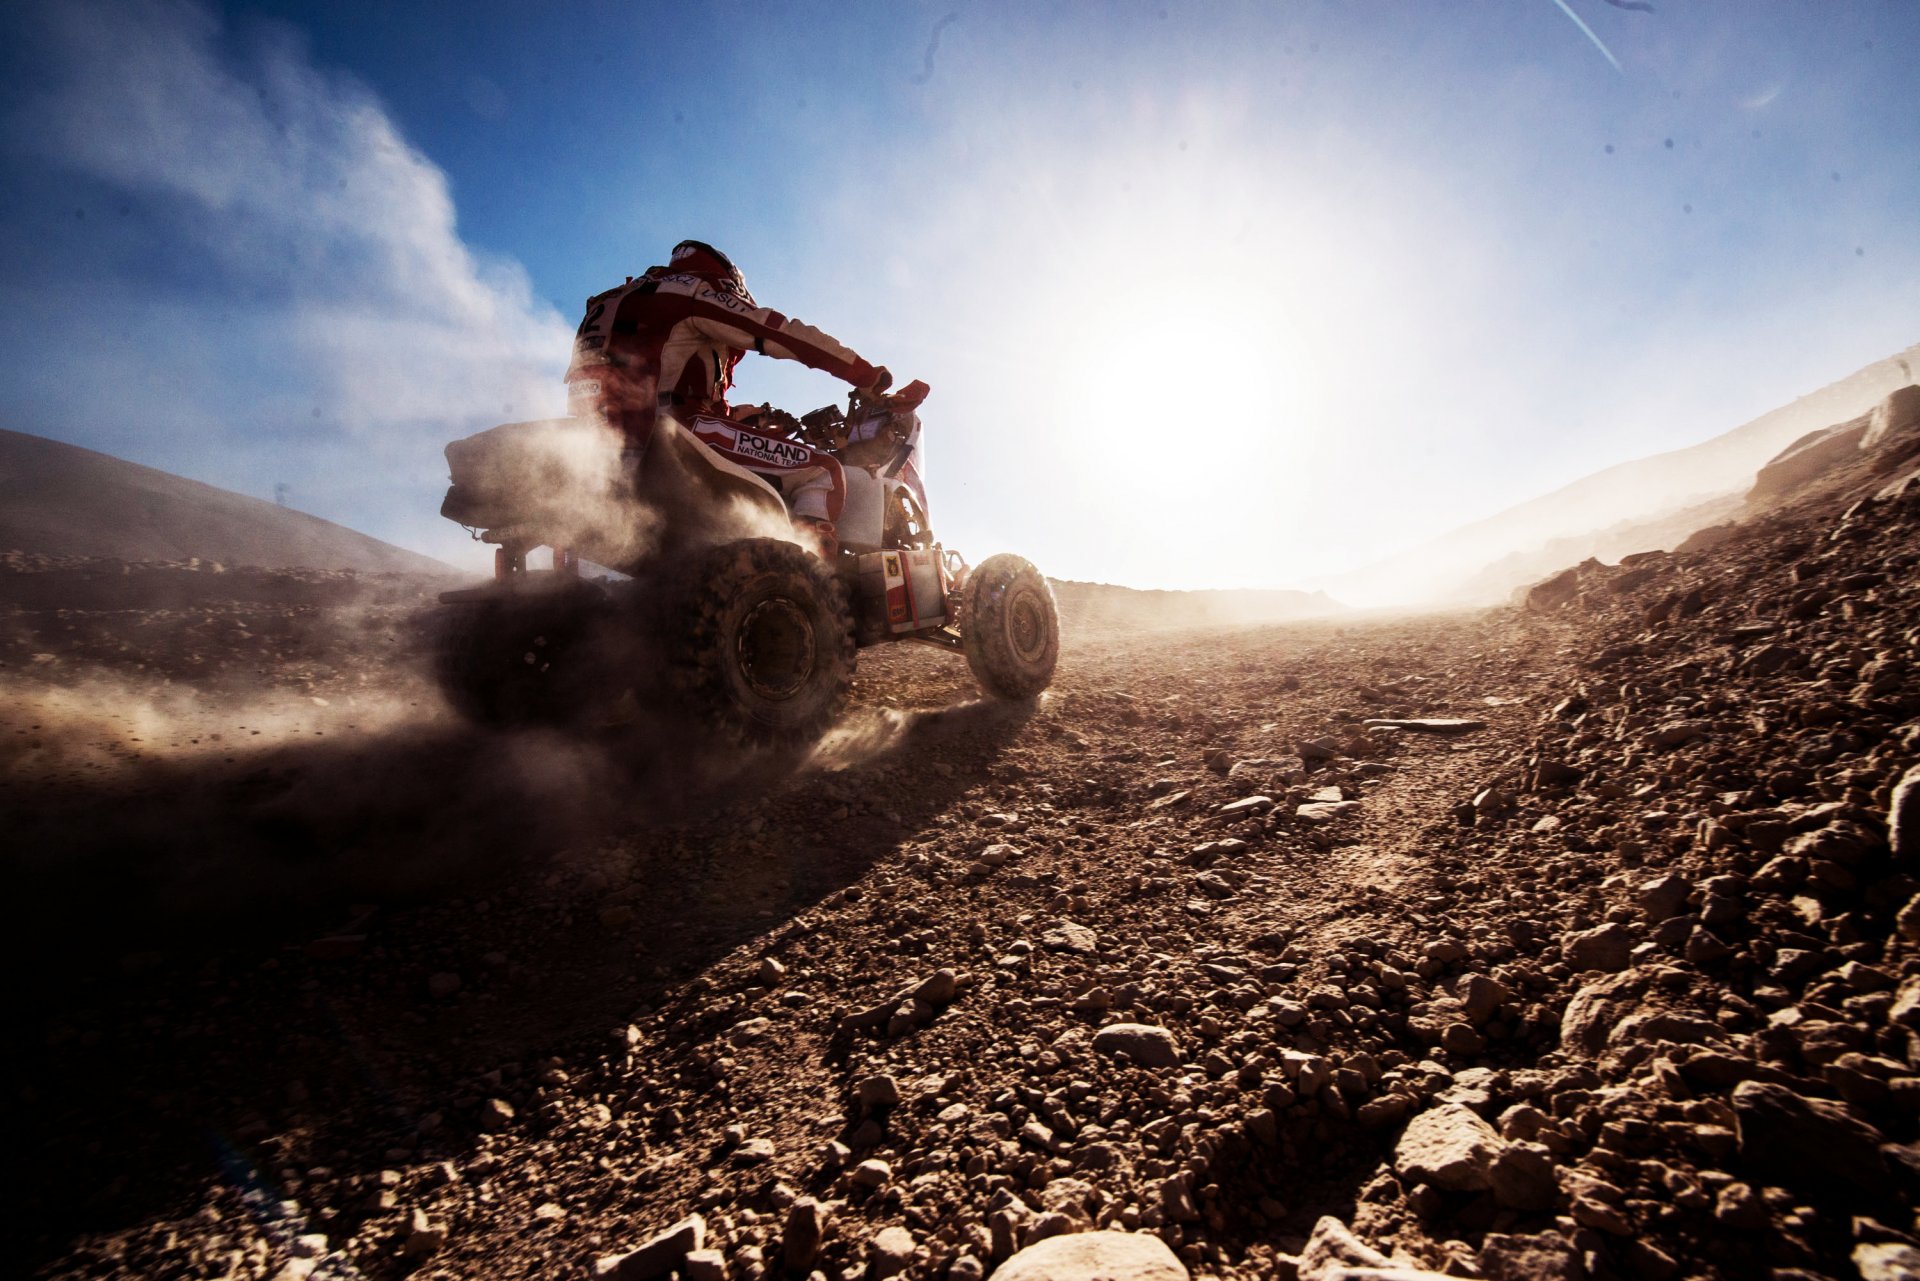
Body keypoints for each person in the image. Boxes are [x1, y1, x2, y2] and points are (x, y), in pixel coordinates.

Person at [565, 240, 893, 554]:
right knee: (822, 470)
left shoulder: (617, 298)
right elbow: (777, 332)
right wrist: (864, 374)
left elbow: (648, 373)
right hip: (668, 431)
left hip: (598, 441)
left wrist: (744, 418)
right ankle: (811, 578)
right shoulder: (693, 290)